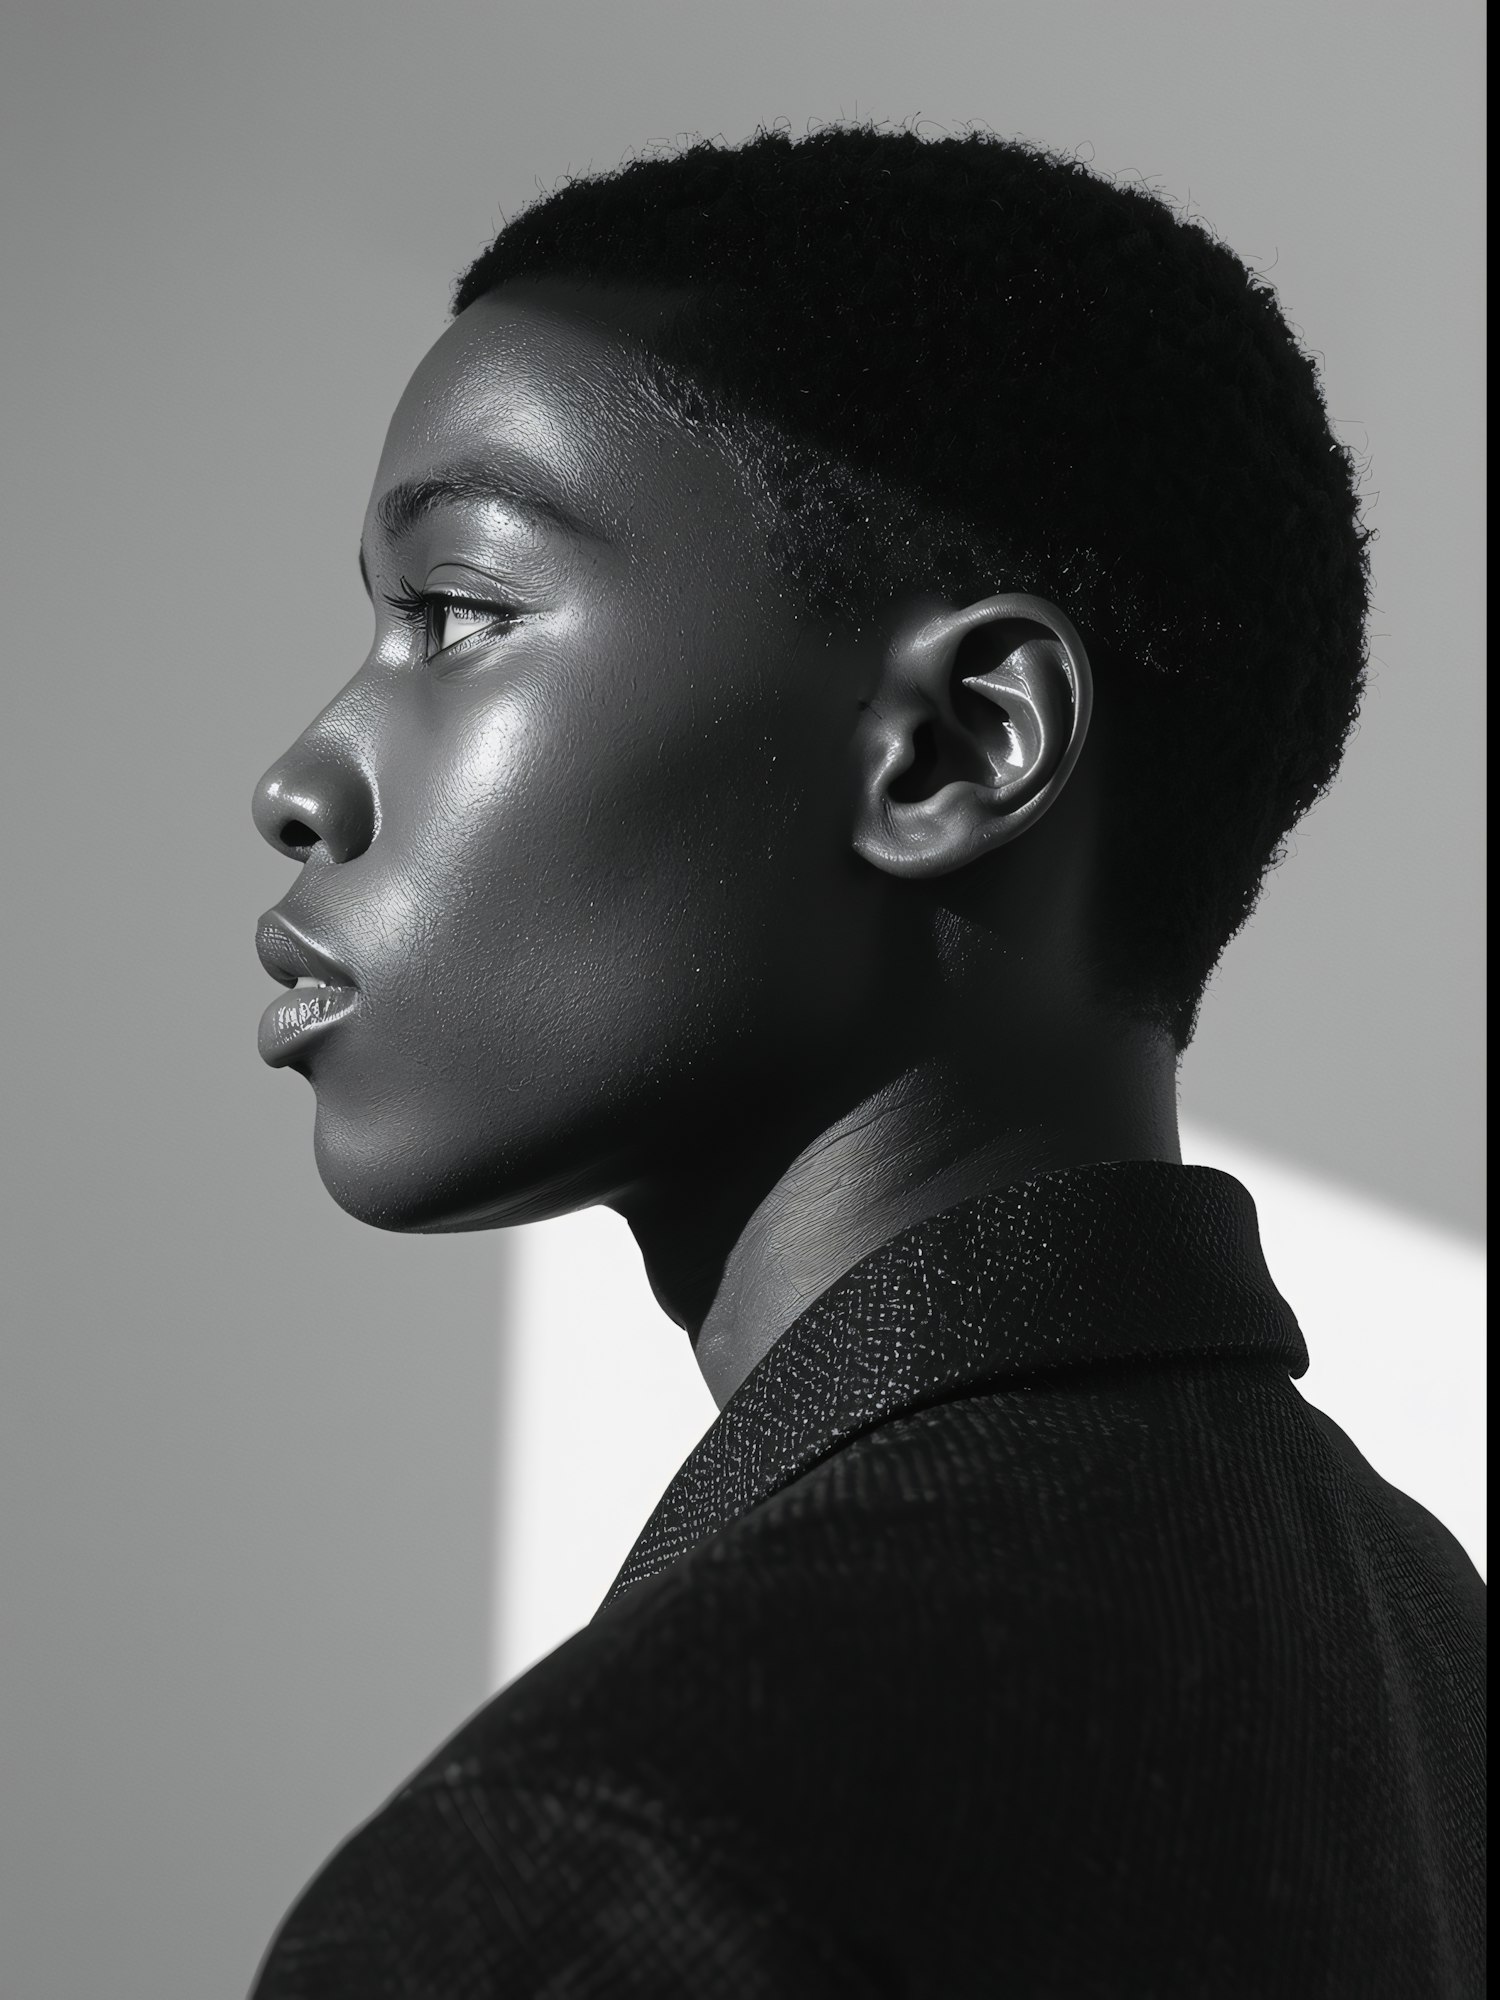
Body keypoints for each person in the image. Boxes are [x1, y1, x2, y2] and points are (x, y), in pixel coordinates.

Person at [248, 128, 1484, 1996]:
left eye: (458, 613)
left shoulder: (607, 1862)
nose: (302, 780)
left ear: (954, 749)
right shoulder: (1426, 1661)